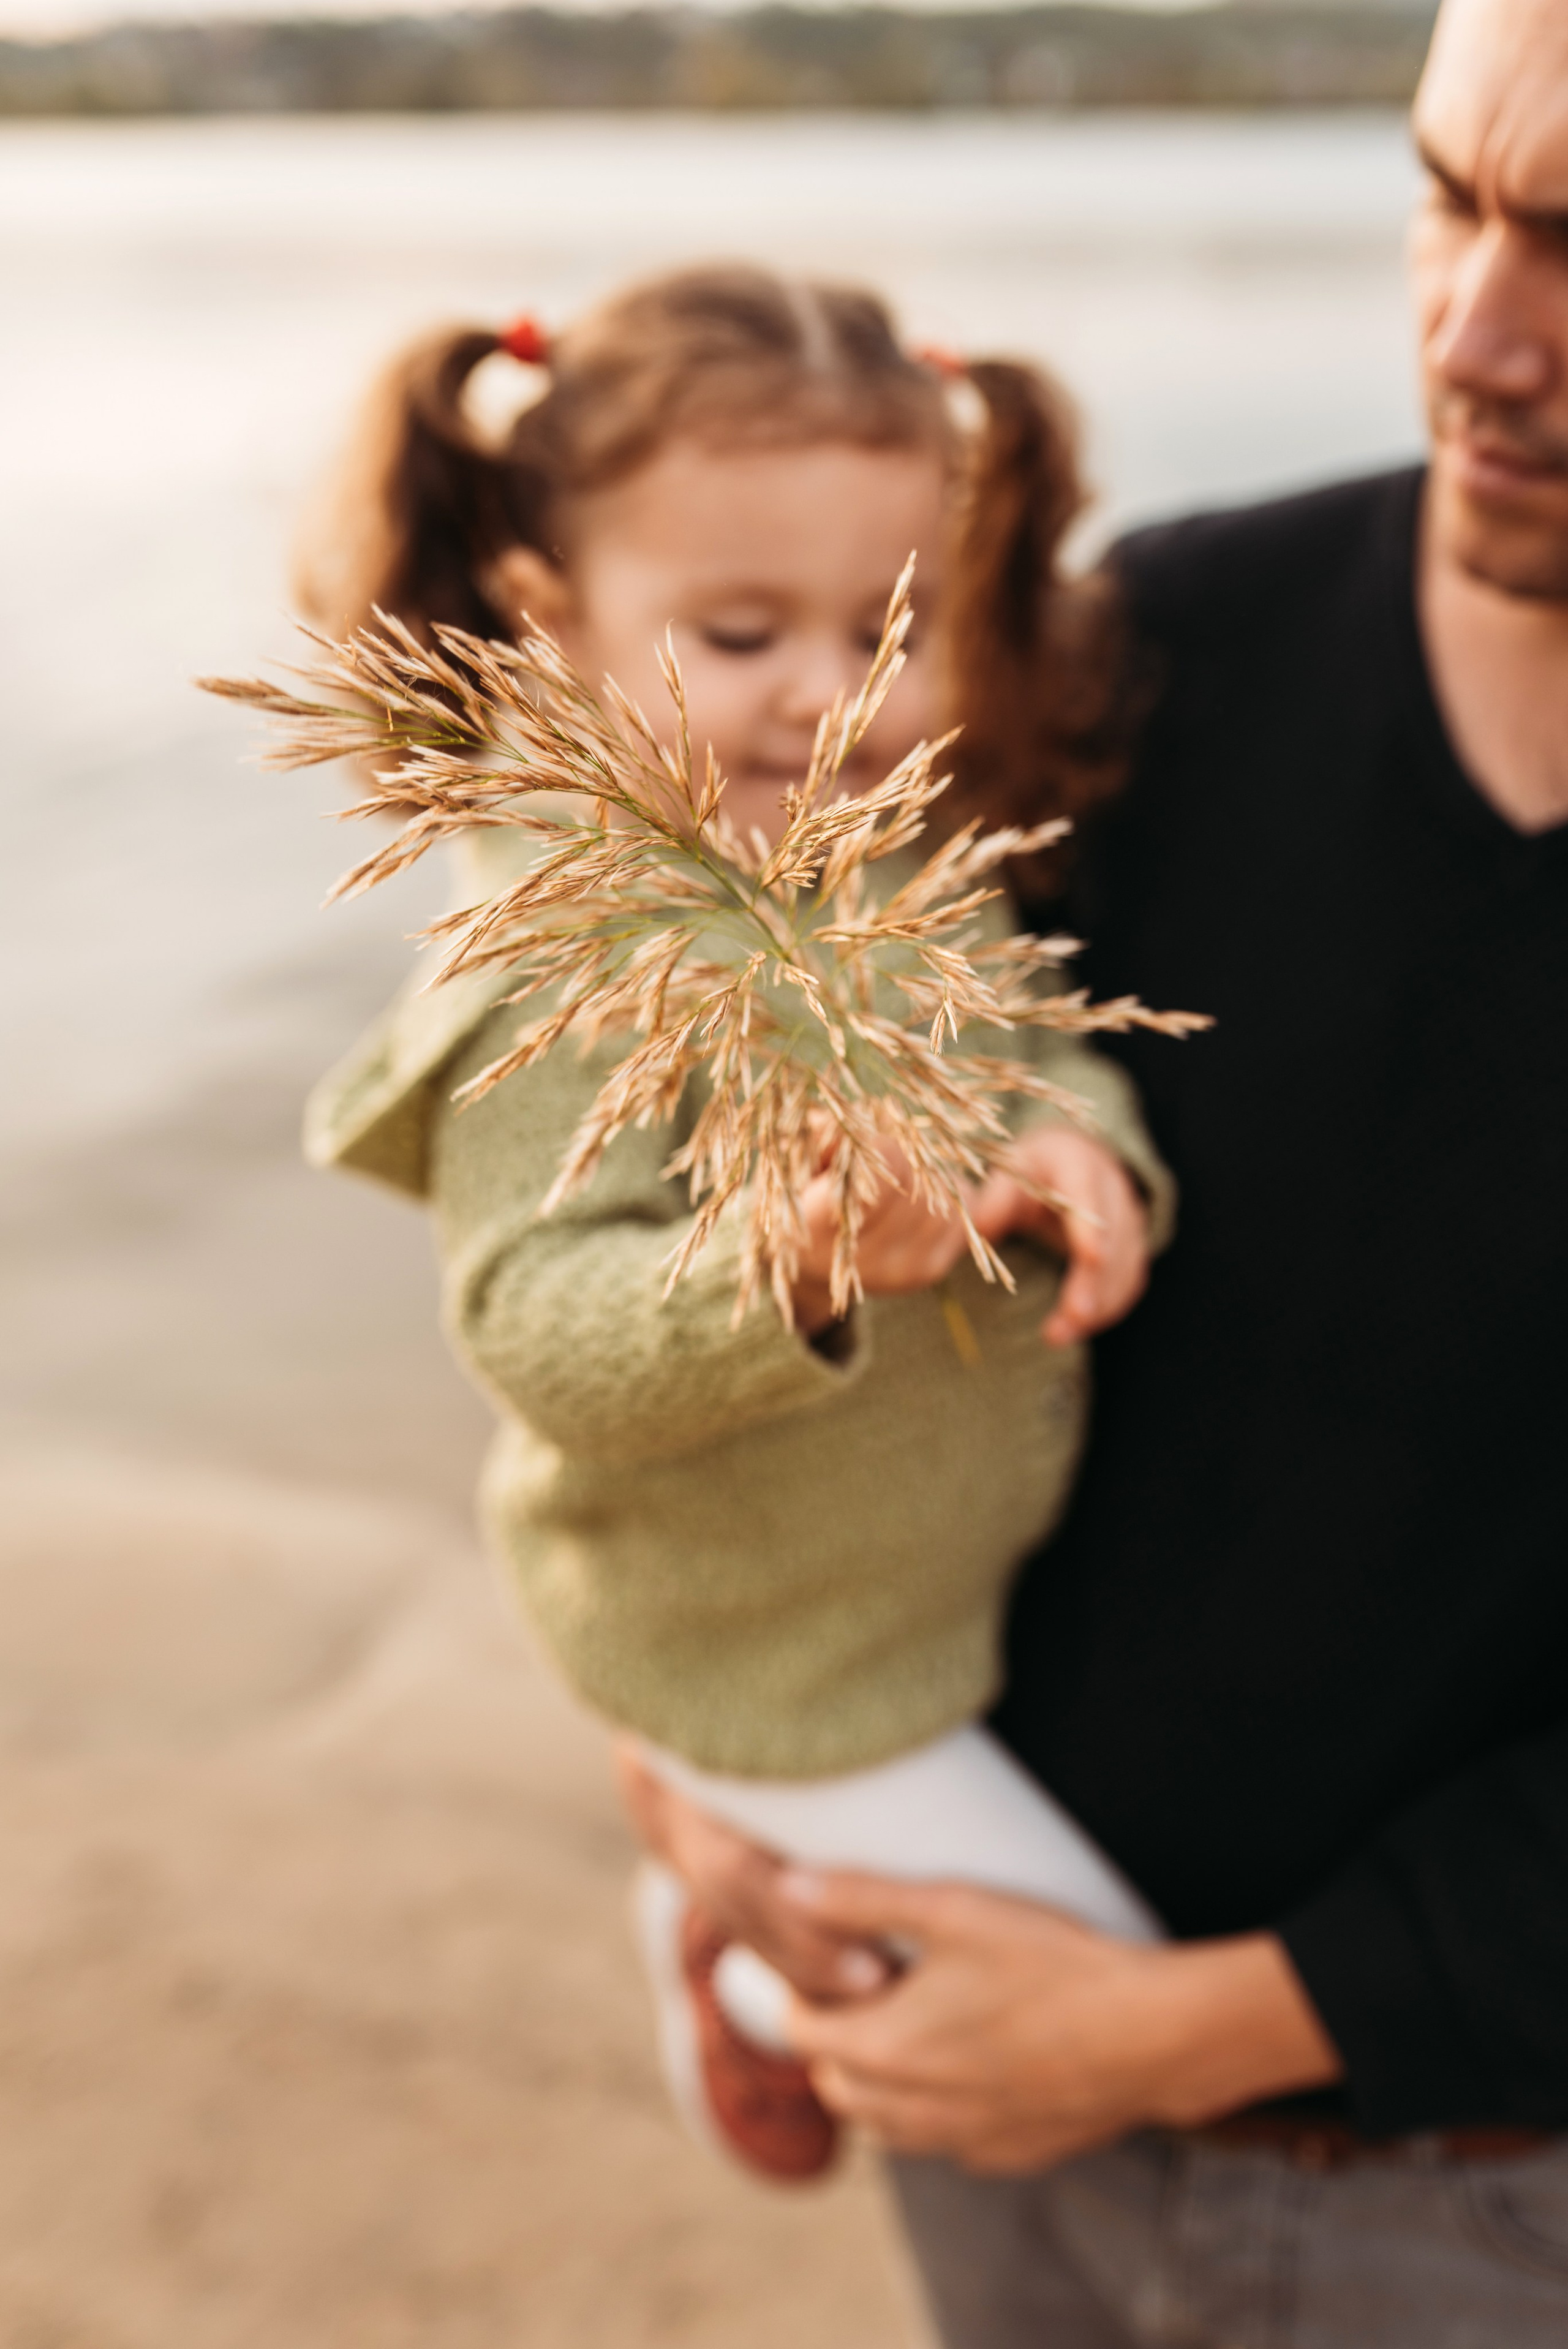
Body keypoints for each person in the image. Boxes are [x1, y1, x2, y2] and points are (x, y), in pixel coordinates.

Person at [622, 0, 1568, 2336]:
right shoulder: (1157, 645)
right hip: (978, 2099)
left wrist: (1194, 2026)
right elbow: (667, 1228)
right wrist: (708, 1790)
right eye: (1450, 194)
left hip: (1481, 2199)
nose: (1478, 336)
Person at [297, 265, 1183, 2180]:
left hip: (919, 1606)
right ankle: (750, 1981)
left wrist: (1083, 1148)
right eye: (738, 627)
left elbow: (1039, 1047)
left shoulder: (893, 861)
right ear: (554, 623)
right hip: (757, 1656)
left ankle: (759, 1954)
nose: (819, 693)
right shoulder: (557, 955)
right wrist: (779, 1259)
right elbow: (539, 1324)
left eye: (885, 630)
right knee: (1092, 1994)